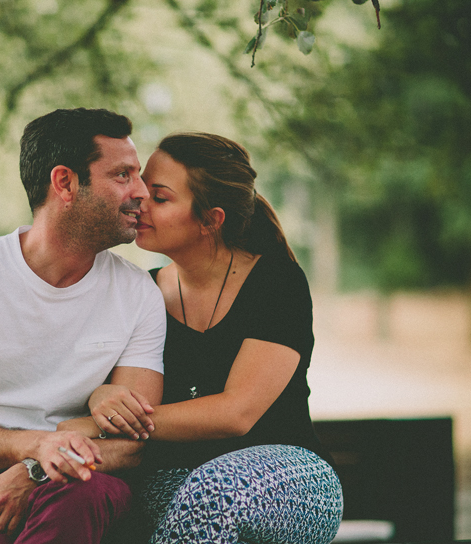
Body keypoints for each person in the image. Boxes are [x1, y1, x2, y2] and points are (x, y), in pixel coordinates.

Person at [59, 132, 343, 544]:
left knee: (214, 491)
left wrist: (95, 424)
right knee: (122, 502)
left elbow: (236, 413)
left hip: (290, 477)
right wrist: (102, 398)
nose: (140, 202)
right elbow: (117, 388)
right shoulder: (144, 292)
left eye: (160, 196)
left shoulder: (277, 283)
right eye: (141, 188)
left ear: (211, 219)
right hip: (175, 476)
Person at [0, 108, 166, 544]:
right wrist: (34, 448)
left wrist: (35, 469)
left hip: (83, 477)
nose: (141, 191)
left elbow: (132, 442)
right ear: (64, 183)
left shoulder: (138, 292)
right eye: (122, 175)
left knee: (84, 496)